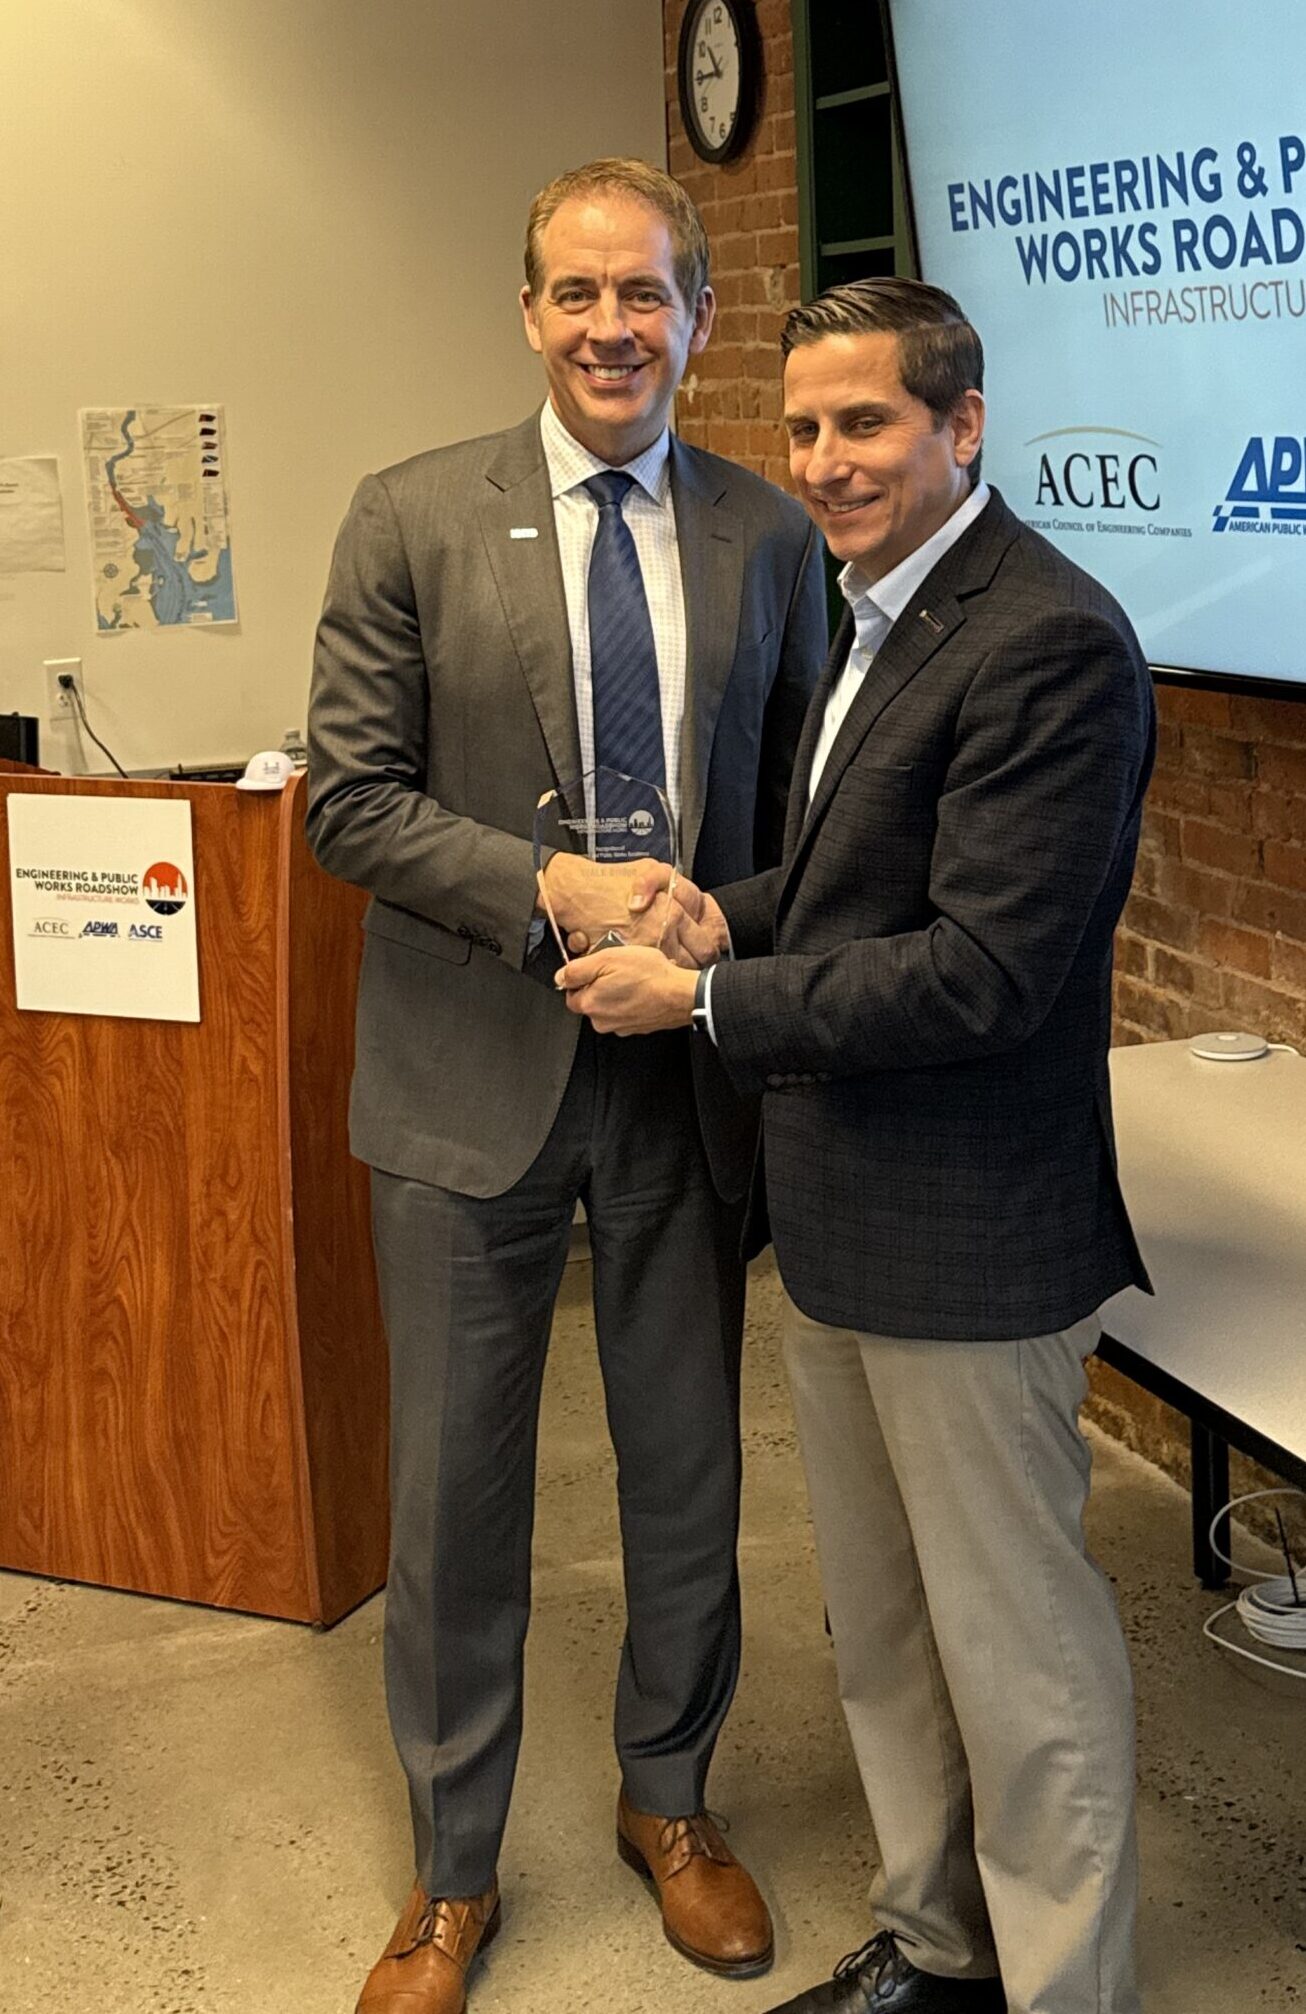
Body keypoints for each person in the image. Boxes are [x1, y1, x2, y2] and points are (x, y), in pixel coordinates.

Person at [558, 276, 1156, 2014]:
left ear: (962, 425)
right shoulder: (875, 609)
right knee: (889, 1646)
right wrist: (718, 917)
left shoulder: (1045, 634)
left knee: (1021, 1669)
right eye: (804, 426)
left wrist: (708, 1009)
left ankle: (1063, 1991)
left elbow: (979, 972)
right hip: (837, 1229)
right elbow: (847, 892)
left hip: (971, 1249)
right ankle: (935, 1944)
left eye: (866, 422)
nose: (825, 459)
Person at [306, 158, 826, 2014]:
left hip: (683, 1084)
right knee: (454, 1501)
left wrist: (709, 927)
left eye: (648, 295)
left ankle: (669, 1805)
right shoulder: (408, 515)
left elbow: (798, 830)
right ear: (527, 311)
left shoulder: (770, 540)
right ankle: (450, 1879)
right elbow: (346, 803)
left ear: (697, 317)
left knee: (692, 1479)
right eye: (577, 294)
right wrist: (549, 887)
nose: (613, 327)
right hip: (468, 1087)